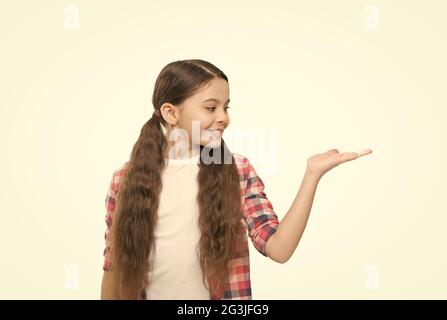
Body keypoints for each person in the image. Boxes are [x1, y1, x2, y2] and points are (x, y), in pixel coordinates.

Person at [100, 59, 373, 300]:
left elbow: (278, 248)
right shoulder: (124, 180)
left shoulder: (237, 171)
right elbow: (113, 268)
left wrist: (312, 175)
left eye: (226, 107)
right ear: (171, 113)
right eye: (210, 108)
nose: (224, 118)